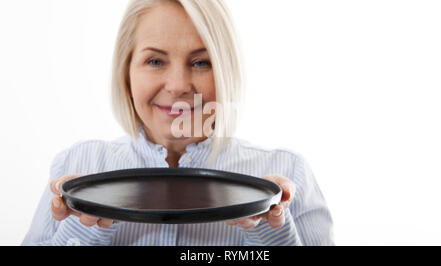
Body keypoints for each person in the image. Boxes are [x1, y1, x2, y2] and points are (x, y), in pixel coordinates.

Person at [22, 0, 334, 246]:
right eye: (155, 61)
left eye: (201, 62)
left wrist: (271, 234)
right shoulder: (78, 165)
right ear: (126, 72)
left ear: (226, 70)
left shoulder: (287, 175)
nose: (178, 85)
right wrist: (84, 229)